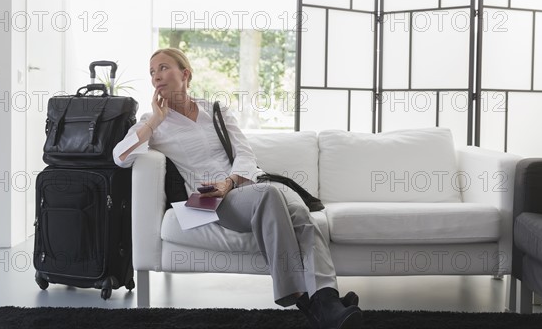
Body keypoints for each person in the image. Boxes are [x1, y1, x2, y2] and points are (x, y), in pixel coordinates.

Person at [113, 48, 363, 329]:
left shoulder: (215, 110)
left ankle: (325, 302)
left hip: (243, 185)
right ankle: (297, 293)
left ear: (185, 74)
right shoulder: (153, 121)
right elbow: (120, 157)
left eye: (163, 68)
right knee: (269, 195)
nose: (156, 76)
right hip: (209, 201)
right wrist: (155, 121)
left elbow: (245, 154)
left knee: (303, 215)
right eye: (151, 72)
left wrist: (229, 182)